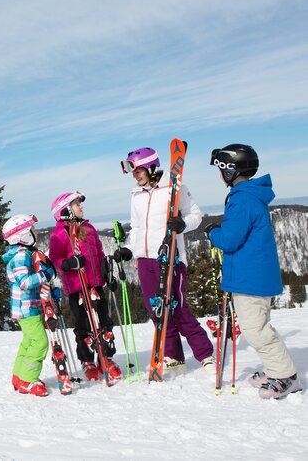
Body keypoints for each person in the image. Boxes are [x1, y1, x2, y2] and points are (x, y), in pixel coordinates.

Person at [206, 144, 301, 399]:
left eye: (220, 169)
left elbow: (230, 239)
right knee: (259, 326)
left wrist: (212, 232)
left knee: (255, 330)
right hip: (254, 275)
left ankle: (285, 376)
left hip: (249, 278)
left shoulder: (243, 198)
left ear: (229, 170)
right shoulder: (250, 196)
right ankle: (276, 369)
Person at [117, 147, 214, 371]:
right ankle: (173, 354)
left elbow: (195, 216)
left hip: (170, 257)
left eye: (138, 170)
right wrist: (129, 249)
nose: (135, 175)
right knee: (156, 310)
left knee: (178, 308)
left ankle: (205, 354)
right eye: (133, 172)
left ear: (151, 167)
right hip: (145, 260)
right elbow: (137, 226)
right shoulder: (136, 195)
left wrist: (182, 225)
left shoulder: (174, 187)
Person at [48, 192, 122, 382]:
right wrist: (68, 263)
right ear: (65, 210)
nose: (81, 207)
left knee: (104, 322)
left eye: (79, 204)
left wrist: (106, 271)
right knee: (83, 325)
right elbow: (56, 258)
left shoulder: (89, 228)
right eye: (76, 205)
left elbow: (98, 251)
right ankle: (87, 360)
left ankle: (106, 357)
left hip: (96, 284)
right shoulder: (60, 233)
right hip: (76, 287)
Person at [2, 213, 54, 397]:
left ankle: (19, 377)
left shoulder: (24, 254)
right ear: (23, 235)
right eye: (32, 230)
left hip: (27, 306)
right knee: (39, 342)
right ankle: (28, 380)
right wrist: (45, 276)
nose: (36, 232)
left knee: (28, 342)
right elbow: (24, 282)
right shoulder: (20, 256)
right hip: (26, 308)